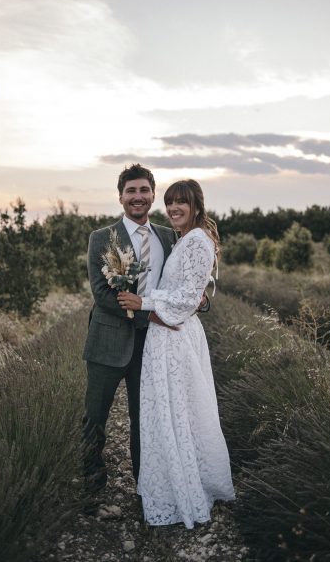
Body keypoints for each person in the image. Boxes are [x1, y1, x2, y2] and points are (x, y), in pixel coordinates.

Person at [117, 179, 235, 529]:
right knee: (173, 412)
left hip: (174, 337)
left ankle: (185, 489)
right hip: (165, 335)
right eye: (169, 203)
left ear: (197, 204)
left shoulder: (198, 240)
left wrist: (146, 305)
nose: (174, 209)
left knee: (178, 412)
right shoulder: (183, 238)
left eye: (181, 203)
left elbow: (187, 297)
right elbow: (188, 293)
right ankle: (172, 481)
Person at [81, 164, 178, 505]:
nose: (138, 197)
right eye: (131, 191)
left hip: (153, 345)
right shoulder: (101, 238)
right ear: (120, 196)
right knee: (94, 419)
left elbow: (175, 286)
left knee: (145, 421)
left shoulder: (168, 237)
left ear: (153, 195)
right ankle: (91, 487)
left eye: (144, 191)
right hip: (108, 342)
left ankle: (145, 489)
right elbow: (102, 294)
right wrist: (146, 313)